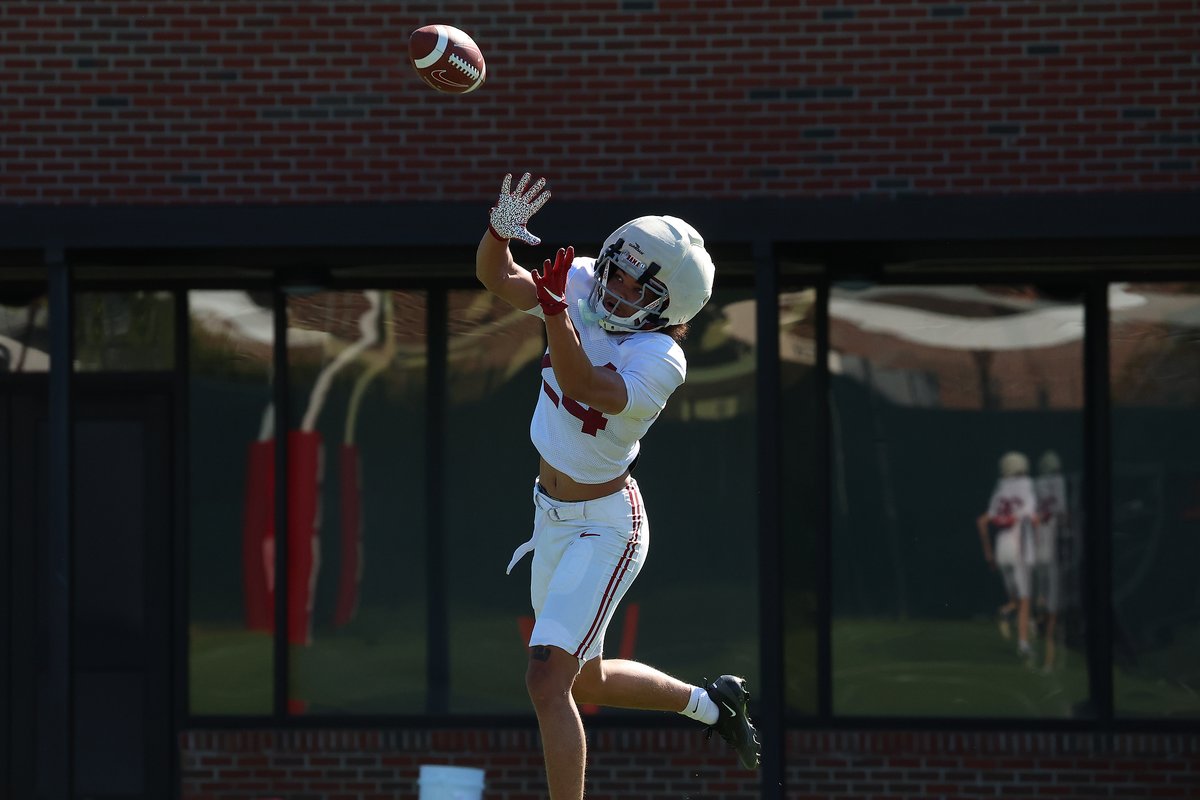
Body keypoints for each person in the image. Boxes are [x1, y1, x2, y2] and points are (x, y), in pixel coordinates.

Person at [476, 172, 760, 799]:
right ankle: (712, 705)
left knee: (545, 680)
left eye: (640, 287)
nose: (620, 289)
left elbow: (583, 385)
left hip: (604, 526)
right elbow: (497, 279)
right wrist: (498, 233)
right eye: (619, 273)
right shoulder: (579, 282)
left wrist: (555, 311)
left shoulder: (661, 357)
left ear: (669, 306)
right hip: (550, 515)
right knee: (587, 682)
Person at [976, 450, 1039, 664]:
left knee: (1016, 600)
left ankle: (1005, 612)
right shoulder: (1027, 485)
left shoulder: (1000, 488)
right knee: (1025, 600)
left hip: (1001, 548)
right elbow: (1034, 518)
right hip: (1020, 547)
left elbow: (982, 522)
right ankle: (1023, 645)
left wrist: (988, 553)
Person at [1033, 449, 1068, 672]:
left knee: (1042, 598)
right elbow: (1062, 513)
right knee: (1051, 602)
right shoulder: (1058, 482)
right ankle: (1049, 656)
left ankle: (1044, 654)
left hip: (1039, 548)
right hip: (1050, 547)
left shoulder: (1037, 483)